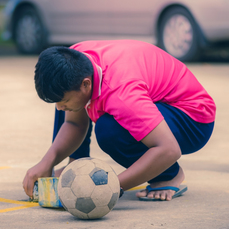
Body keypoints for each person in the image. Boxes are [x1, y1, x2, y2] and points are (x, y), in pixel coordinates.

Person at [23, 40, 216, 201]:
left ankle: (168, 176)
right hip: (154, 100)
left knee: (110, 130)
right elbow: (74, 123)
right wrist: (46, 163)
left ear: (86, 84)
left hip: (193, 119)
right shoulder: (73, 59)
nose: (58, 107)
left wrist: (110, 187)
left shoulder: (122, 94)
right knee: (67, 102)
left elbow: (169, 149)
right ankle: (76, 163)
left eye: (62, 101)